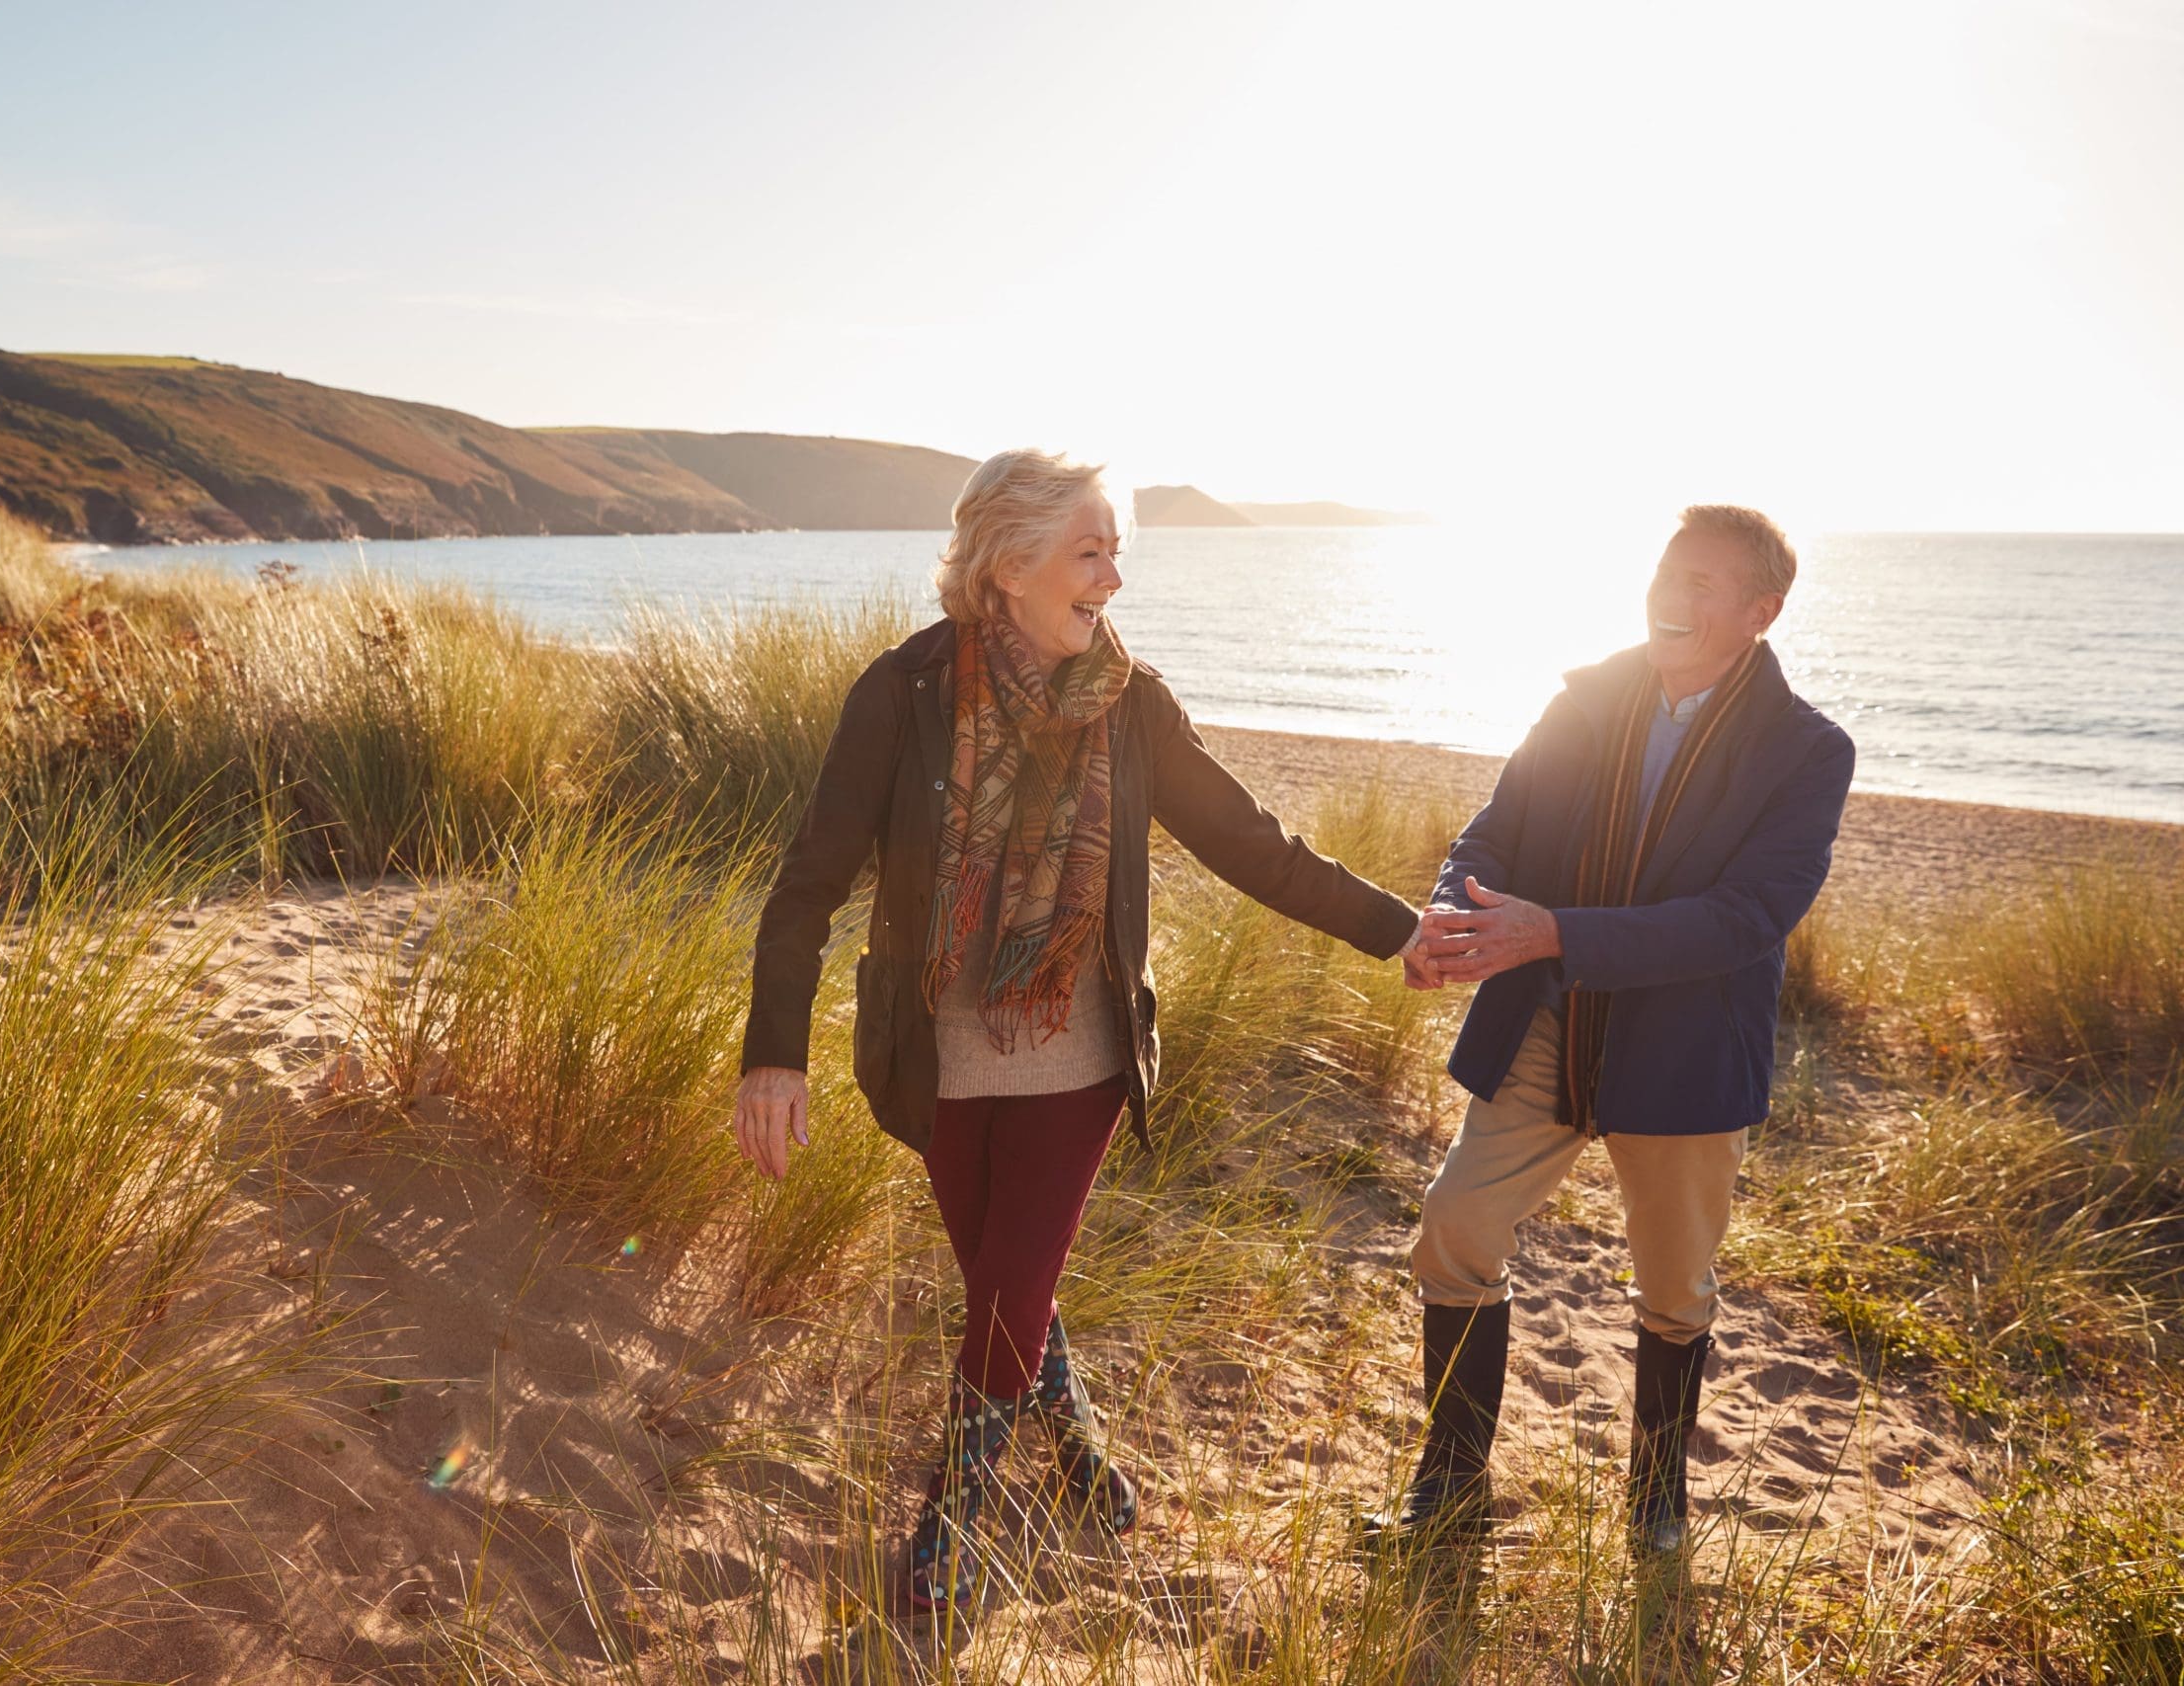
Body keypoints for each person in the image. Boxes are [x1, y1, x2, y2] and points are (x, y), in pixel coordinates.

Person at [733, 448, 1422, 1611]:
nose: (1112, 578)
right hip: (934, 1050)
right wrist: (773, 1051)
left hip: (1080, 1048)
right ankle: (1078, 1437)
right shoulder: (898, 695)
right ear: (1007, 565)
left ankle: (951, 1513)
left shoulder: (1130, 703)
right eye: (1089, 552)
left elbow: (1251, 846)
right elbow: (808, 884)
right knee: (1009, 1283)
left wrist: (1398, 931)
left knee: (1008, 1284)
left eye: (1117, 551)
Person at [1367, 504, 1854, 1560]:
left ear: (1759, 614)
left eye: (1703, 584)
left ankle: (1655, 1494)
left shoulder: (1809, 750)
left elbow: (1747, 918)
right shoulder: (1585, 696)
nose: (1671, 596)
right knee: (1455, 1227)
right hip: (1547, 1019)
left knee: (1676, 1289)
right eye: (1666, 571)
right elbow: (1493, 830)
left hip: (1686, 1051)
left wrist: (1552, 931)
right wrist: (1451, 915)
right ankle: (1449, 1485)